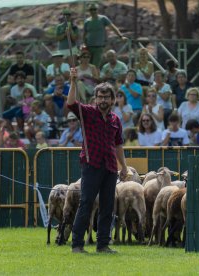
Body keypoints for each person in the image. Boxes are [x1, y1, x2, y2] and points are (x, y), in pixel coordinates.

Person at [67, 67, 127, 254]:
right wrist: (73, 81)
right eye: (100, 97)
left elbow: (118, 145)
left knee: (108, 207)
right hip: (91, 164)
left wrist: (123, 167)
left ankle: (103, 245)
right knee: (86, 203)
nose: (103, 100)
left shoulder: (115, 120)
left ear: (112, 99)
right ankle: (77, 244)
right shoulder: (87, 113)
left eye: (106, 97)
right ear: (95, 99)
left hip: (110, 166)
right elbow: (70, 103)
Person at [83, 3, 127, 68]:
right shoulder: (87, 21)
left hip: (99, 47)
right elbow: (85, 34)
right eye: (91, 9)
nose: (93, 11)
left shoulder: (103, 19)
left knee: (95, 66)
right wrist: (84, 45)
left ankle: (94, 78)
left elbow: (112, 27)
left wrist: (120, 36)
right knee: (87, 66)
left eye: (94, 9)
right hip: (89, 47)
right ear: (89, 11)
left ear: (97, 10)